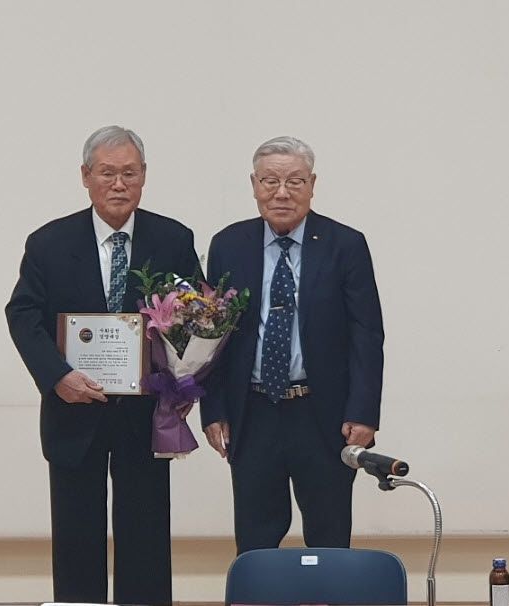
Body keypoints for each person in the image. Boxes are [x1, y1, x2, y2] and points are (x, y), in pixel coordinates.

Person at [5, 125, 200, 604]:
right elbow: (22, 314)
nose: (119, 184)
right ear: (86, 177)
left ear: (144, 177)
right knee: (75, 542)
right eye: (107, 173)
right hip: (75, 411)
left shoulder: (173, 238)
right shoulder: (49, 242)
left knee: (146, 541)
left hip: (145, 415)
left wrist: (183, 384)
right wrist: (57, 377)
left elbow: (198, 315)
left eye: (129, 173)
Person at [201, 136, 384, 554]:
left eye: (294, 181)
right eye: (270, 181)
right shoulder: (228, 244)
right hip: (253, 412)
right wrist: (214, 409)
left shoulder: (345, 245)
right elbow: (212, 337)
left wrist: (363, 412)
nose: (281, 192)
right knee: (255, 538)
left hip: (322, 414)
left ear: (312, 185)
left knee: (329, 531)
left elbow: (366, 335)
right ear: (253, 184)